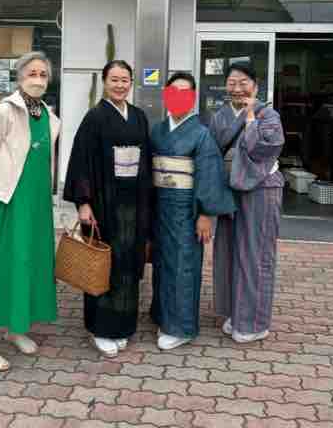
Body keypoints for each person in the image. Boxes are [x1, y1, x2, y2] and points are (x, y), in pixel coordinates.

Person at [0, 52, 60, 371]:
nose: (38, 79)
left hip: (37, 202)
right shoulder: (5, 111)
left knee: (29, 261)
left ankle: (16, 327)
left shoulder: (46, 113)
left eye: (43, 74)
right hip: (9, 200)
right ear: (19, 77)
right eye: (32, 73)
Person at [63, 60, 152, 358]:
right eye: (114, 79)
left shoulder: (139, 116)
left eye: (125, 80)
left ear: (131, 83)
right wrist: (83, 202)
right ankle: (100, 328)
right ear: (104, 81)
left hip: (134, 204)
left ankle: (123, 326)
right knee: (102, 265)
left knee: (128, 265)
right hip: (104, 202)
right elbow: (80, 161)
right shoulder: (95, 117)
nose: (120, 85)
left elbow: (147, 161)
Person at [150, 72, 235, 350]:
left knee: (183, 266)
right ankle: (163, 315)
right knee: (162, 264)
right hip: (161, 206)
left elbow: (209, 176)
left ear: (193, 97)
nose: (178, 97)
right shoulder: (158, 130)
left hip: (186, 209)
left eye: (185, 92)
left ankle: (182, 327)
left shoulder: (201, 134)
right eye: (173, 91)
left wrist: (206, 214)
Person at [210, 62, 285, 344]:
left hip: (261, 190)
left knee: (255, 254)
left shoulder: (268, 115)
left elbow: (265, 148)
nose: (237, 88)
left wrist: (251, 117)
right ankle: (235, 313)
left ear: (255, 85)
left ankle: (253, 322)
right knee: (229, 252)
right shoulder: (219, 116)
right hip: (229, 191)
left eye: (243, 82)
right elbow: (212, 154)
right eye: (232, 82)